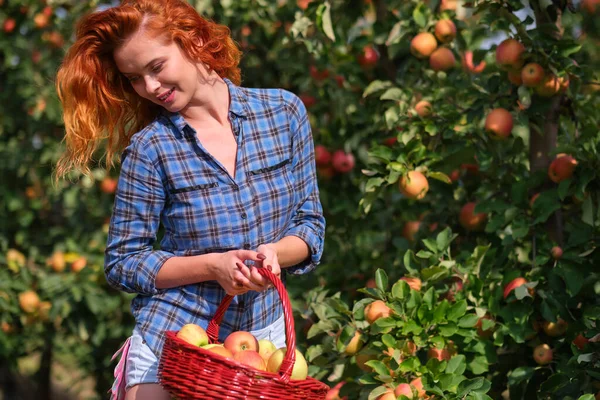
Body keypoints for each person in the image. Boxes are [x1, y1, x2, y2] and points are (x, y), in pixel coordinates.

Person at [54, 0, 325, 398]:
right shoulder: (151, 149)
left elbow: (310, 225)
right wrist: (213, 266)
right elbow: (124, 262)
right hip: (178, 339)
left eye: (156, 67)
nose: (149, 87)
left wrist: (273, 254)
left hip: (263, 339)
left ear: (195, 41)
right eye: (134, 78)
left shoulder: (284, 114)